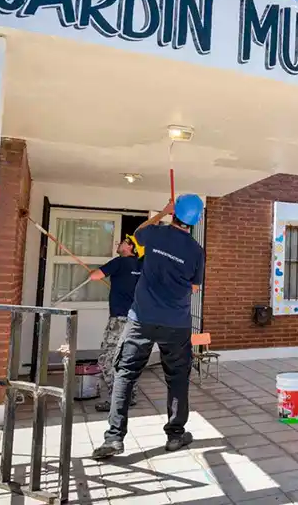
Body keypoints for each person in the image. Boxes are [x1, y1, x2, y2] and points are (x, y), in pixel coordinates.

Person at [93, 194, 205, 458]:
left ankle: (114, 438)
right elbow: (195, 287)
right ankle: (175, 436)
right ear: (196, 221)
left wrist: (163, 211)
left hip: (141, 320)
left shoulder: (154, 233)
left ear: (175, 213)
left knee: (125, 374)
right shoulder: (197, 251)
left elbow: (137, 234)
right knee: (177, 379)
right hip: (176, 324)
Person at [90, 235, 143, 413]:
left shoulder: (120, 262)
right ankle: (130, 395)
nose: (119, 244)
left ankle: (117, 399)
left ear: (130, 248)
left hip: (119, 319)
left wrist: (94, 273)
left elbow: (95, 276)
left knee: (107, 359)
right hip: (136, 320)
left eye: (123, 242)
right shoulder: (141, 265)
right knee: (128, 358)